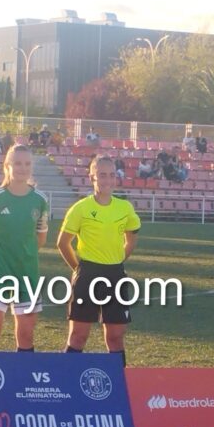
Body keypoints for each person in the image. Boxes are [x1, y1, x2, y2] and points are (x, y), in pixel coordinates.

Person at [57, 155, 141, 366]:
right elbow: (62, 243)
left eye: (112, 175)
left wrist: (119, 259)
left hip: (115, 276)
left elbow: (131, 237)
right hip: (87, 275)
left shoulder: (125, 208)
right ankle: (66, 381)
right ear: (92, 177)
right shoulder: (80, 208)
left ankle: (119, 386)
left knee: (115, 336)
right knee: (78, 336)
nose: (107, 180)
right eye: (102, 175)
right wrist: (78, 269)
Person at [0, 145, 49, 352]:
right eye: (17, 163)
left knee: (26, 337)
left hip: (27, 275)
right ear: (7, 166)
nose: (22, 168)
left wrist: (26, 255)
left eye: (27, 163)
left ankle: (22, 384)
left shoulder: (40, 200)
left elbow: (41, 238)